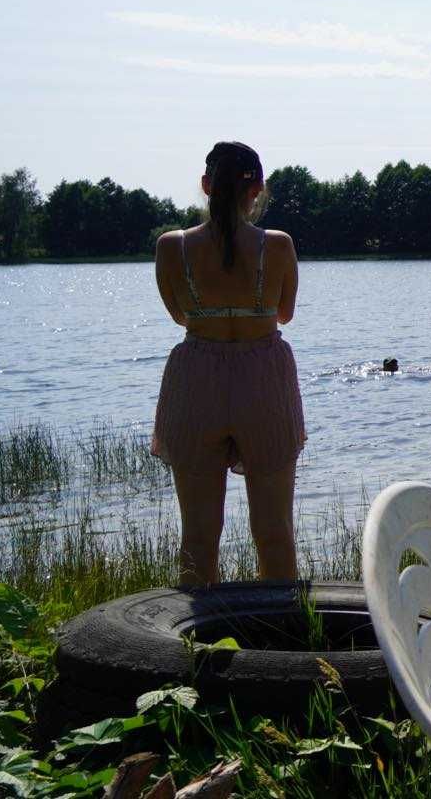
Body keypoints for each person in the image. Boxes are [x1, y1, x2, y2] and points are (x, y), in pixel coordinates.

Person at [152, 141, 302, 586]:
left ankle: (197, 646)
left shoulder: (171, 247)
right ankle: (280, 640)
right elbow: (284, 313)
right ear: (257, 188)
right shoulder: (277, 245)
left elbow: (181, 315)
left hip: (197, 376)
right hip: (265, 377)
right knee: (275, 534)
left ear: (205, 185)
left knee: (197, 539)